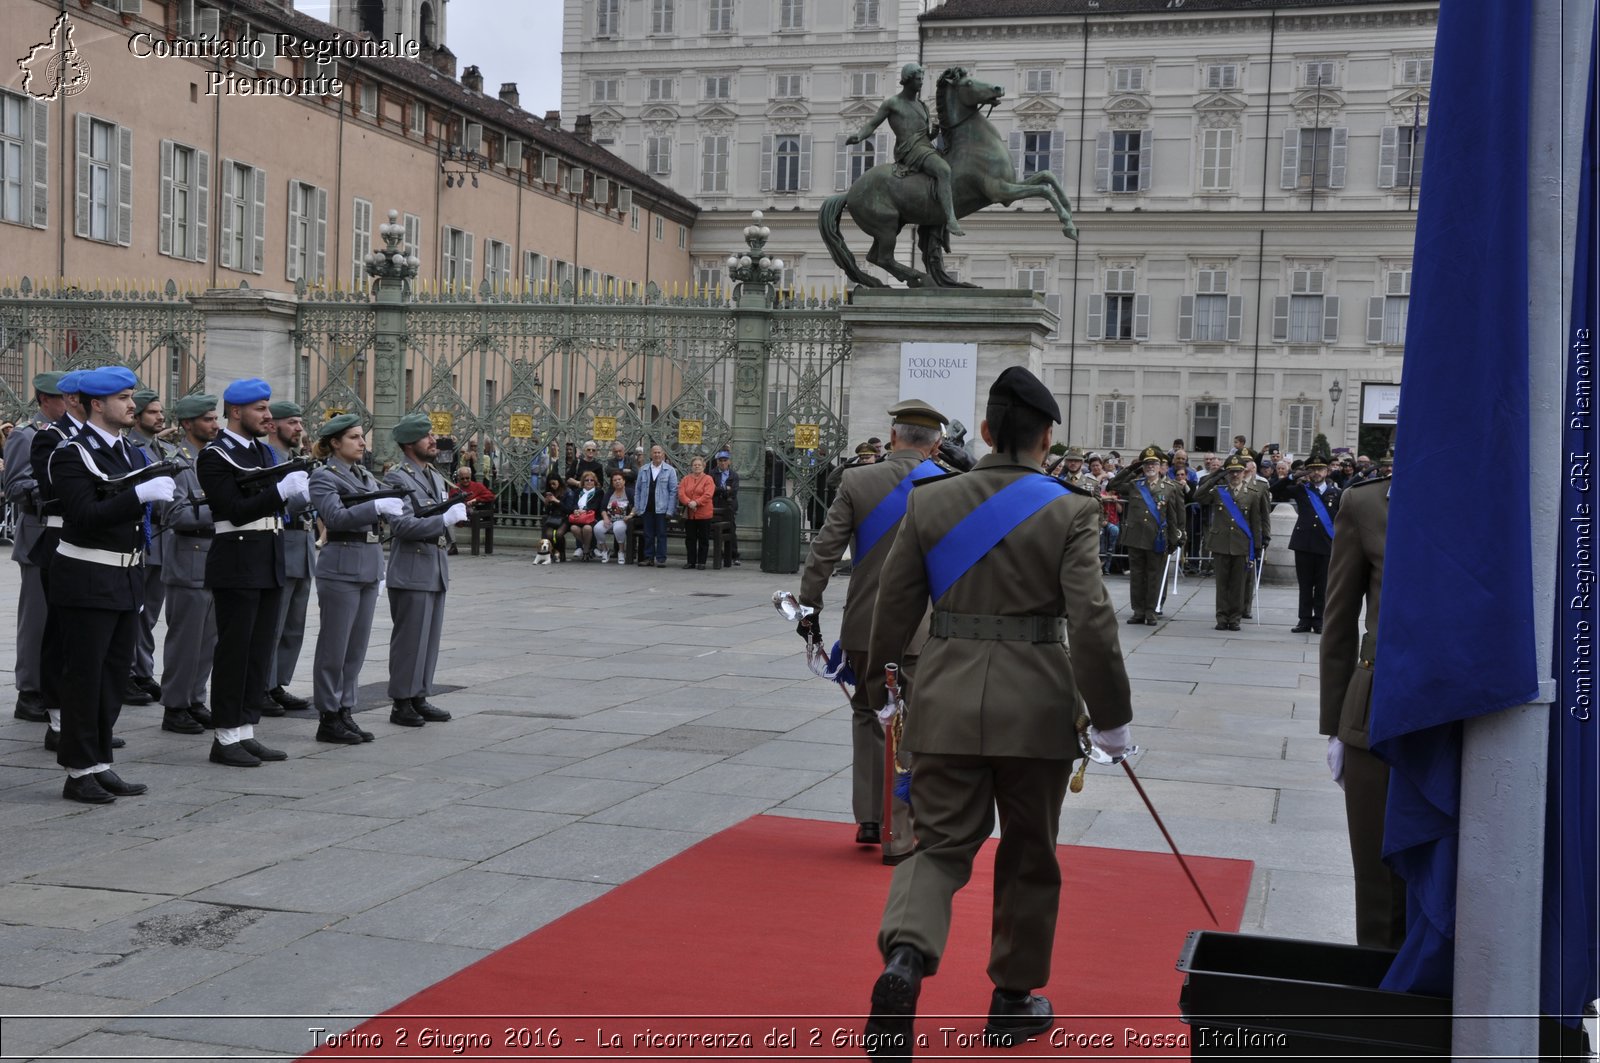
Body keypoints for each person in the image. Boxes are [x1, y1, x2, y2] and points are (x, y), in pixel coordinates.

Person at [863, 367, 1133, 1050]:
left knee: (940, 845)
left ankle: (905, 956)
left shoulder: (932, 500)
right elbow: (1093, 622)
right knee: (1029, 853)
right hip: (1037, 708)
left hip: (947, 698)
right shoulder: (1071, 508)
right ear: (1048, 437)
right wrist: (1113, 717)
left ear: (983, 432)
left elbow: (891, 608)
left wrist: (882, 689)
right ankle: (1012, 999)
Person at [799, 398, 949, 864]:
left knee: (868, 715)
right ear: (936, 444)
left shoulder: (857, 479)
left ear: (894, 437)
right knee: (910, 723)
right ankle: (897, 831)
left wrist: (809, 606)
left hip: (864, 622)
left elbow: (825, 550)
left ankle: (868, 815)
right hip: (920, 628)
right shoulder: (948, 486)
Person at [47, 366, 174, 803]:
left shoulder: (131, 453)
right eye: (122, 397)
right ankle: (77, 770)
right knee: (84, 676)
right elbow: (82, 516)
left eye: (131, 396)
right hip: (86, 575)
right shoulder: (72, 453)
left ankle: (100, 761)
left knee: (114, 676)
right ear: (97, 404)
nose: (131, 404)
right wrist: (138, 496)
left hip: (125, 575)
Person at [197, 378, 309, 768]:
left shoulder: (263, 452)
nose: (268, 415)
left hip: (268, 556)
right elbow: (231, 508)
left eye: (267, 408)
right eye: (260, 409)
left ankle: (245, 728)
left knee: (259, 651)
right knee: (234, 651)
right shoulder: (215, 455)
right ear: (235, 412)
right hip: (237, 558)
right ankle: (225, 735)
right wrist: (280, 493)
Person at [1318, 456, 1405, 949]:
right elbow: (1339, 619)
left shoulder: (1483, 494)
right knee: (1379, 884)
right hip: (1377, 708)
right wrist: (1335, 725)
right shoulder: (1367, 501)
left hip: (1466, 711)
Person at [308, 415, 401, 739]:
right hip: (341, 566)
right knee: (335, 647)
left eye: (362, 437)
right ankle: (328, 715)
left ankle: (345, 708)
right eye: (354, 437)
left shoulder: (364, 475)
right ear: (335, 443)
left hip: (367, 563)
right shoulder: (324, 477)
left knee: (356, 648)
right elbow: (333, 516)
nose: (363, 443)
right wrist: (375, 508)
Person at [384, 413, 466, 728]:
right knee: (409, 640)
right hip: (411, 565)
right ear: (408, 443)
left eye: (432, 435)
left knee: (428, 638)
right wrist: (443, 520)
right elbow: (402, 524)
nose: (434, 441)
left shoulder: (431, 474)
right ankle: (401, 702)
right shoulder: (397, 478)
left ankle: (419, 695)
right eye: (426, 436)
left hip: (434, 564)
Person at [6, 371, 67, 725]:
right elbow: (15, 486)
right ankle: (29, 692)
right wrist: (58, 487)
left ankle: (53, 687)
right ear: (45, 400)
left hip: (66, 534)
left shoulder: (72, 435)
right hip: (37, 532)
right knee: (37, 618)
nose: (69, 403)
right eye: (62, 398)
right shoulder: (26, 435)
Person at [159, 394, 222, 736]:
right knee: (185, 642)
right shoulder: (176, 462)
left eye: (215, 418)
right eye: (208, 419)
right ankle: (175, 705)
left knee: (207, 640)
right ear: (187, 424)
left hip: (214, 561)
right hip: (188, 561)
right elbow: (175, 515)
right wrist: (223, 510)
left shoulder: (214, 459)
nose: (215, 424)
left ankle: (196, 699)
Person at [847, 62, 965, 236]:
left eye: (922, 79)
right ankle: (950, 220)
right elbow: (872, 124)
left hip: (925, 147)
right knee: (943, 170)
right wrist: (859, 136)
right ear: (908, 80)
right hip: (909, 150)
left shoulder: (922, 106)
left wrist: (933, 134)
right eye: (918, 79)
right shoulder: (892, 103)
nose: (921, 82)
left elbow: (922, 134)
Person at [264, 400, 314, 714]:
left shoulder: (297, 460)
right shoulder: (269, 461)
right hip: (282, 544)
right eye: (293, 423)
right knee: (273, 624)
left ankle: (278, 682)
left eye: (299, 422)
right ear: (273, 425)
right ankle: (262, 686)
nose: (299, 429)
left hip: (303, 544)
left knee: (294, 625)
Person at [126, 388, 174, 707]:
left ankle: (143, 671)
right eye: (154, 412)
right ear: (138, 415)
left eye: (161, 412)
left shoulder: (165, 448)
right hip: (141, 537)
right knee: (134, 611)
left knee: (150, 614)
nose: (160, 417)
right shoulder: (130, 448)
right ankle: (127, 673)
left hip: (163, 539)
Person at [1109, 444, 1186, 625]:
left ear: (1160, 466)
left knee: (1154, 576)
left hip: (1157, 538)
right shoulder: (1136, 485)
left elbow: (1175, 515)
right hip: (1136, 537)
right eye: (1146, 464)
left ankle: (1151, 611)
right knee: (1137, 576)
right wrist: (1131, 468)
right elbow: (1114, 484)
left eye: (1154, 463)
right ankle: (1138, 610)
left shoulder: (1170, 487)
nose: (1150, 467)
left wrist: (1176, 538)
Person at [1195, 454, 1270, 631]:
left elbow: (1256, 521)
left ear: (1244, 472)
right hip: (1221, 543)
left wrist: (1258, 545)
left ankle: (1235, 618)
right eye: (1231, 472)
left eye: (1238, 472)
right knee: (1222, 584)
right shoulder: (1219, 491)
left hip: (1241, 544)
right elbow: (1198, 495)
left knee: (1238, 584)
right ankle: (1221, 617)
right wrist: (1215, 476)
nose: (1235, 475)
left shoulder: (1252, 494)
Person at [1271, 449, 1342, 633]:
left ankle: (1319, 620)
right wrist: (1291, 476)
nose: (1316, 473)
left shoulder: (1336, 493)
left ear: (1327, 471)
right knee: (1305, 584)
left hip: (1326, 545)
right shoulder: (1302, 490)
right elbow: (1275, 491)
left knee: (1322, 585)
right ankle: (1304, 620)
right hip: (1304, 544)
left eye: (1320, 469)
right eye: (1313, 469)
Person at [633, 445, 678, 567]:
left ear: (663, 454)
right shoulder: (643, 469)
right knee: (648, 534)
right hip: (646, 506)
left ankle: (661, 559)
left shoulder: (670, 470)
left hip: (662, 508)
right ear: (651, 454)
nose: (657, 455)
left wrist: (670, 510)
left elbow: (673, 491)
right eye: (655, 452)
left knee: (661, 534)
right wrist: (637, 507)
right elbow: (638, 490)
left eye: (659, 452)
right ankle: (648, 557)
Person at [677, 455, 715, 570]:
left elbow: (708, 494)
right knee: (690, 539)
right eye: (695, 465)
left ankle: (702, 562)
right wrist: (689, 502)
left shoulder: (708, 479)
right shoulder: (686, 479)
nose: (697, 467)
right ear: (691, 467)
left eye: (699, 465)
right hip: (690, 514)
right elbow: (681, 493)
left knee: (703, 539)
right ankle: (691, 561)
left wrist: (696, 502)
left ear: (703, 466)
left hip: (704, 514)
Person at [710, 450, 741, 567]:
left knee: (731, 530)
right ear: (717, 462)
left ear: (729, 462)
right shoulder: (712, 474)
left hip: (729, 505)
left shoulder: (734, 475)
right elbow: (712, 490)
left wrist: (721, 489)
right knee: (716, 530)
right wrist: (724, 489)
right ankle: (720, 553)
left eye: (725, 460)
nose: (723, 463)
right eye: (720, 461)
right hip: (716, 504)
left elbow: (733, 491)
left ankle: (734, 555)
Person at [566, 469, 604, 561]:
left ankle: (586, 551)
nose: (589, 482)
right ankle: (590, 547)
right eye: (587, 480)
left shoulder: (599, 492)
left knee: (587, 528)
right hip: (578, 517)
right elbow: (573, 504)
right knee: (573, 528)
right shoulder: (578, 491)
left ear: (595, 482)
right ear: (583, 482)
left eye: (592, 480)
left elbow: (596, 506)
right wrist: (575, 510)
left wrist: (585, 511)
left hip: (591, 518)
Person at [599, 472, 632, 563]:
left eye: (619, 479)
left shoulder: (629, 492)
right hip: (609, 519)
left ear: (624, 481)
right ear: (612, 483)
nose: (617, 482)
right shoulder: (609, 493)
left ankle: (621, 551)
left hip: (622, 519)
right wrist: (605, 518)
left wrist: (630, 515)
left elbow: (636, 506)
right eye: (615, 480)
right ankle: (605, 550)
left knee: (618, 528)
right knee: (597, 528)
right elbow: (602, 508)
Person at [539, 473, 569, 561]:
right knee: (549, 534)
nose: (552, 486)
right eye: (550, 484)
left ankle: (561, 553)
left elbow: (569, 509)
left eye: (554, 483)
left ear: (559, 482)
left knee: (559, 534)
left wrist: (556, 501)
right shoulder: (550, 492)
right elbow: (547, 512)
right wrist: (547, 503)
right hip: (553, 518)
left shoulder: (567, 492)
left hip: (564, 518)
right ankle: (551, 553)